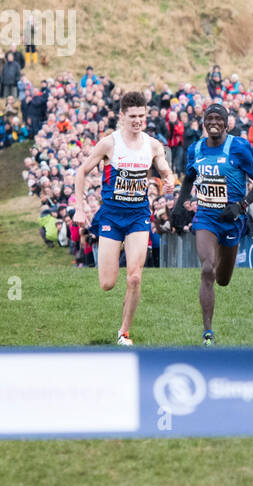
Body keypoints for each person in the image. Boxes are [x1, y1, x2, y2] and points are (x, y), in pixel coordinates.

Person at [72, 91, 175, 345]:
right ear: (122, 116)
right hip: (111, 215)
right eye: (132, 116)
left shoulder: (152, 144)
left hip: (138, 215)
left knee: (135, 276)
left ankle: (124, 332)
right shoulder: (110, 143)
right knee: (107, 283)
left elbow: (163, 166)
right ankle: (121, 290)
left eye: (141, 115)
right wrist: (80, 208)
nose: (138, 120)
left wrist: (169, 178)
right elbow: (81, 171)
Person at [171, 104, 253, 346]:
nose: (214, 122)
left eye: (218, 119)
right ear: (204, 123)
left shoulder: (239, 147)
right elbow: (189, 179)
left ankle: (221, 265)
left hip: (232, 219)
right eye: (209, 118)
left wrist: (241, 206)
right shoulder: (196, 149)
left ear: (226, 123)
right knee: (206, 269)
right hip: (206, 217)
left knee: (223, 279)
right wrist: (179, 206)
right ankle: (207, 332)